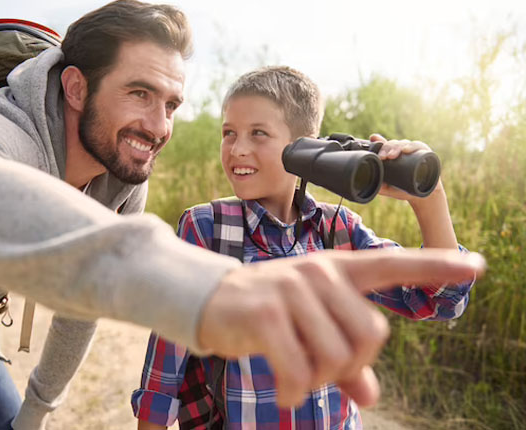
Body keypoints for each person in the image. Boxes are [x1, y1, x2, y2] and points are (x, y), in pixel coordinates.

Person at [0, 1, 484, 429]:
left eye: (171, 103)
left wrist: (428, 196)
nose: (159, 125)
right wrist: (203, 285)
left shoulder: (122, 176)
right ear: (75, 87)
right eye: (139, 93)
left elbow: (80, 305)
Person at [132, 66, 476, 430]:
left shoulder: (339, 230)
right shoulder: (207, 228)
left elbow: (439, 300)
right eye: (228, 133)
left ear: (304, 147)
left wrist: (428, 197)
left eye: (259, 133)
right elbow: (165, 368)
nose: (238, 149)